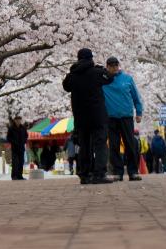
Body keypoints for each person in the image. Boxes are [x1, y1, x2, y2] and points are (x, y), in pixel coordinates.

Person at [62, 47, 112, 184]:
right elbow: (109, 78)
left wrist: (71, 72)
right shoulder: (97, 72)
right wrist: (102, 69)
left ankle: (85, 174)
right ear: (91, 58)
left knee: (84, 146)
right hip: (97, 116)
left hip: (81, 117)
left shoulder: (72, 75)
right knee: (100, 144)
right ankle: (99, 174)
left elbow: (65, 86)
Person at [103, 56, 144, 181]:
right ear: (107, 67)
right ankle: (118, 172)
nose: (114, 67)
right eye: (111, 65)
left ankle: (133, 171)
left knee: (130, 144)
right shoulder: (103, 80)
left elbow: (136, 97)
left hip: (126, 116)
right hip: (111, 118)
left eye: (116, 65)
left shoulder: (127, 79)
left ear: (118, 65)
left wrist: (139, 112)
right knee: (114, 146)